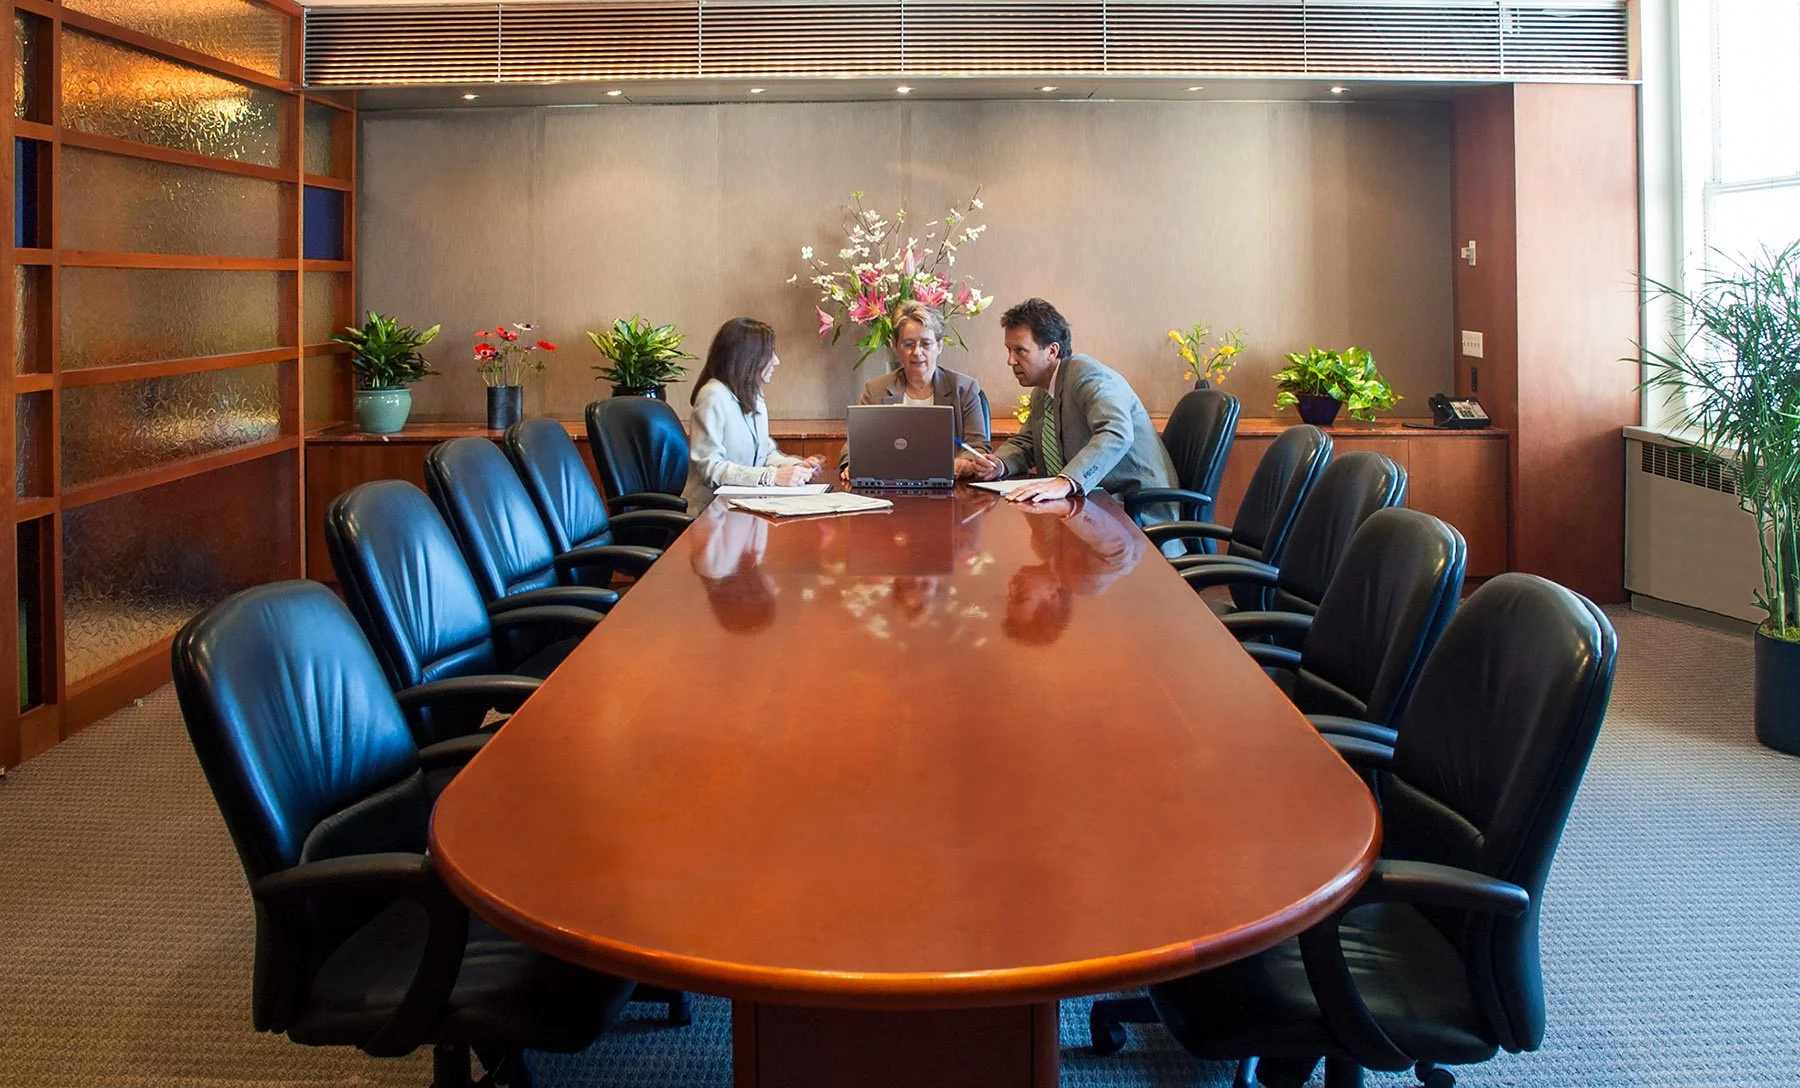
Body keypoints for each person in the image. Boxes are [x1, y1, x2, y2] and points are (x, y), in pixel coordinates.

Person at [955, 298, 1177, 522]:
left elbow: (1117, 432)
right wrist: (997, 465)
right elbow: (1027, 444)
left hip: (1137, 512)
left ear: (1052, 351)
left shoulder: (1088, 376)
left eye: (1020, 351)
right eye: (1009, 350)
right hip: (1093, 509)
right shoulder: (1043, 391)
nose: (1010, 361)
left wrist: (1066, 481)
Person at [682, 317, 824, 512]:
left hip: (746, 508)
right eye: (770, 353)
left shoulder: (753, 395)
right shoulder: (713, 396)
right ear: (748, 357)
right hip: (712, 515)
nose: (776, 361)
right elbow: (710, 468)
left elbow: (764, 455)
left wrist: (797, 466)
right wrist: (770, 477)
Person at [839, 300, 991, 479]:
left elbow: (978, 448)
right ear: (896, 346)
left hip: (950, 490)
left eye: (926, 344)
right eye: (909, 344)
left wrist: (960, 465)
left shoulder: (964, 389)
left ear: (939, 346)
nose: (917, 352)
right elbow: (853, 447)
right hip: (890, 485)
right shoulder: (875, 390)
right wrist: (852, 465)